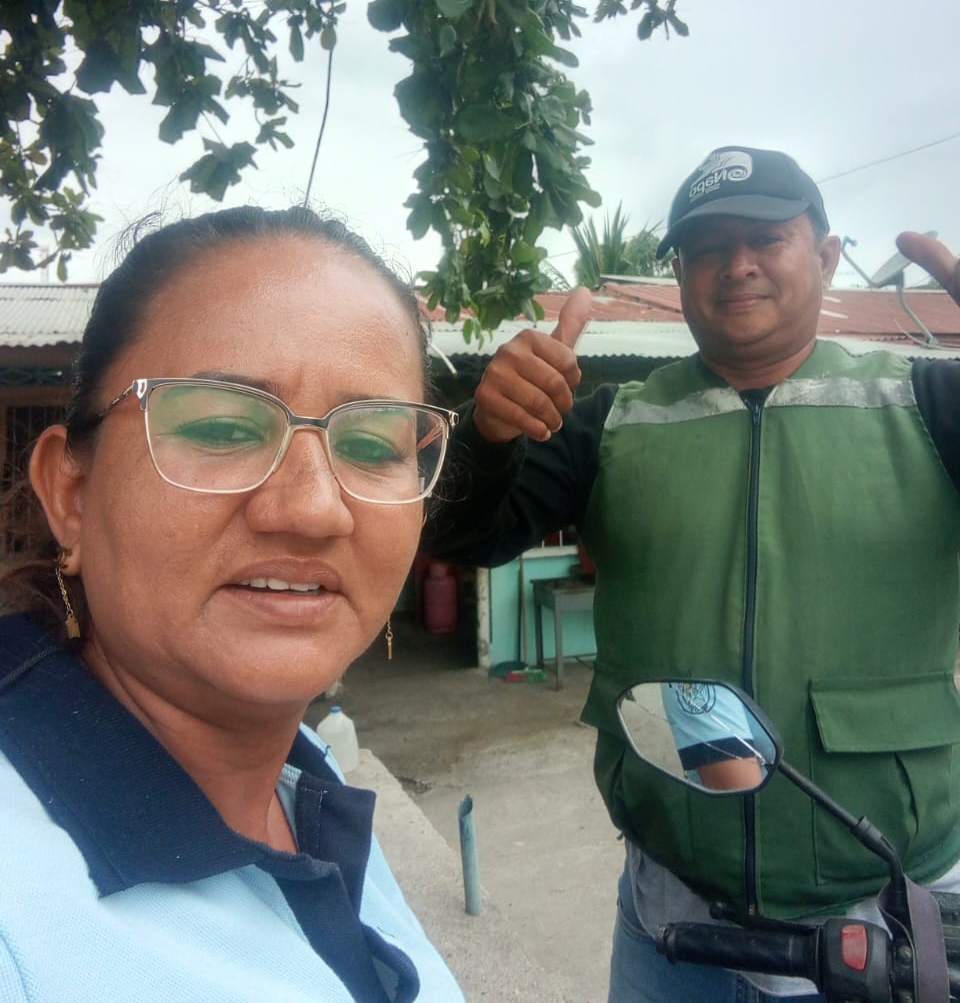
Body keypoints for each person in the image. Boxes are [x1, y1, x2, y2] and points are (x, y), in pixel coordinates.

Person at [426, 146, 960, 1003]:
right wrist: (485, 438)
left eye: (766, 238)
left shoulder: (929, 404)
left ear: (827, 257)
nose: (735, 264)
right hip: (669, 924)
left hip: (887, 923)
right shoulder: (610, 424)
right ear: (679, 273)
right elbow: (462, 534)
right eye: (707, 247)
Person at [0, 205, 465, 1003]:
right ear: (71, 495)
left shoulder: (300, 774)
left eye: (370, 445)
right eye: (221, 429)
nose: (313, 508)